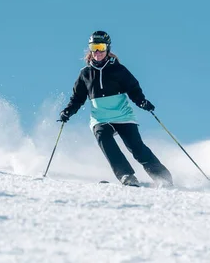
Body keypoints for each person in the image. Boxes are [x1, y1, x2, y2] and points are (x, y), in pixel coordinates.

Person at [59, 30, 173, 187]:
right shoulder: (85, 74)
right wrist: (68, 111)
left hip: (123, 116)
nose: (97, 52)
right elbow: (77, 98)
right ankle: (126, 175)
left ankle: (163, 178)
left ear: (107, 48)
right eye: (94, 47)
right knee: (104, 140)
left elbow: (133, 88)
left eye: (100, 47)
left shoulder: (119, 70)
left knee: (137, 148)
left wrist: (141, 102)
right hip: (100, 118)